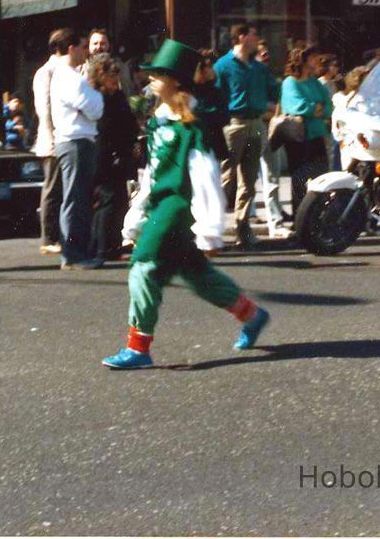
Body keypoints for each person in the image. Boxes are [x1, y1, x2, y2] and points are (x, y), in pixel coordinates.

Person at [101, 40, 270, 370]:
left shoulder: (191, 127)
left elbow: (206, 176)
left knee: (143, 267)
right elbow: (152, 174)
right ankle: (252, 315)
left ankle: (138, 349)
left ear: (175, 81)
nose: (150, 81)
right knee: (194, 273)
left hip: (178, 207)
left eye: (157, 76)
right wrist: (136, 213)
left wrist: (210, 230)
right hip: (161, 203)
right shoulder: (158, 123)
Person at [213, 23, 278, 247]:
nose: (257, 38)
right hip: (234, 124)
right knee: (225, 178)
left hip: (256, 124)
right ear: (240, 38)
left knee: (249, 181)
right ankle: (213, 228)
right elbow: (216, 94)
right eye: (253, 35)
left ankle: (243, 228)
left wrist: (268, 106)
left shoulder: (259, 68)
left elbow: (274, 91)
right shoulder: (222, 66)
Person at [49, 29, 104, 269]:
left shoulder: (72, 76)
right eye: (83, 46)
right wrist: (94, 98)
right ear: (71, 48)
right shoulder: (70, 78)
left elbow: (91, 106)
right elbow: (94, 108)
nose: (86, 51)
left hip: (76, 140)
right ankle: (72, 254)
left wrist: (92, 100)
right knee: (75, 198)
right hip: (75, 141)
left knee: (79, 198)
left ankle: (77, 251)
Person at [90, 53, 138, 264]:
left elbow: (128, 120)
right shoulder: (97, 97)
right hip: (104, 154)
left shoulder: (117, 96)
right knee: (107, 202)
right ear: (100, 77)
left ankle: (114, 246)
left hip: (121, 153)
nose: (115, 82)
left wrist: (133, 142)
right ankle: (101, 248)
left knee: (120, 201)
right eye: (111, 77)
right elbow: (104, 127)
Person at [32, 30, 72, 256]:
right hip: (53, 140)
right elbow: (44, 109)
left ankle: (63, 235)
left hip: (67, 138)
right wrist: (56, 137)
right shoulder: (46, 72)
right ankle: (48, 237)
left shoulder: (70, 70)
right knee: (53, 188)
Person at [280, 45, 334, 210]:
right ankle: (300, 217)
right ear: (302, 60)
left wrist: (317, 109)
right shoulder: (290, 82)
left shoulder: (315, 83)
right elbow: (297, 106)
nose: (317, 60)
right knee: (300, 179)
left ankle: (318, 214)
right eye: (312, 57)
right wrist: (314, 108)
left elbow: (328, 107)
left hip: (317, 135)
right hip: (299, 137)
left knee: (321, 177)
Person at [254, 40, 291, 239]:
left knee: (272, 177)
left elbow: (279, 105)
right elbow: (260, 105)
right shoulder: (253, 76)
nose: (266, 57)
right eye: (262, 54)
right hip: (254, 128)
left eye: (268, 54)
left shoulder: (270, 78)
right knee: (241, 178)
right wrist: (269, 109)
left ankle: (275, 222)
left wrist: (270, 110)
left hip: (270, 130)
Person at [191, 49, 230, 162]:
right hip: (195, 143)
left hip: (214, 143)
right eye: (209, 67)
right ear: (200, 69)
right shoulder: (190, 92)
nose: (213, 70)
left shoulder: (215, 92)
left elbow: (225, 117)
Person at [87, 28, 136, 95]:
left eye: (102, 43)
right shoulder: (81, 68)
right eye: (95, 43)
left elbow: (126, 90)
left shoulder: (120, 66)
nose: (98, 47)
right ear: (89, 46)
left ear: (109, 45)